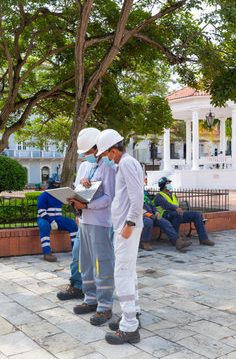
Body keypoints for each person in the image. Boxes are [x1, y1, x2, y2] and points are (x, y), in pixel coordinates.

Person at [96, 129, 143, 345]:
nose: (106, 158)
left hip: (127, 227)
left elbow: (137, 196)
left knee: (122, 273)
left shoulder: (125, 163)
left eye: (106, 154)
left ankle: (129, 326)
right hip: (125, 226)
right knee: (128, 272)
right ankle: (132, 314)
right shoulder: (124, 163)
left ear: (114, 150)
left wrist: (130, 224)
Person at [67, 127, 116, 326]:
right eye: (85, 154)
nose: (86, 156)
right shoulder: (84, 168)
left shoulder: (108, 167)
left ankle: (105, 306)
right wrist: (80, 188)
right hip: (85, 221)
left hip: (100, 222)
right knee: (85, 262)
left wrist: (87, 205)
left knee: (102, 263)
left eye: (88, 153)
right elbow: (78, 187)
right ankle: (90, 299)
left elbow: (109, 197)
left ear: (97, 149)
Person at [154, 177, 214, 246]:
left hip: (176, 214)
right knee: (177, 214)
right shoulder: (159, 195)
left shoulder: (172, 195)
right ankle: (175, 240)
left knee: (196, 214)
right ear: (162, 185)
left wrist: (178, 209)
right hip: (164, 216)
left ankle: (204, 239)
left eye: (169, 183)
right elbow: (166, 205)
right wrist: (176, 208)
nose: (169, 184)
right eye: (167, 183)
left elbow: (176, 206)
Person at [37, 177, 78, 262]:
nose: (57, 186)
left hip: (58, 218)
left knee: (72, 224)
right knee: (45, 226)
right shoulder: (44, 195)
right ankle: (47, 253)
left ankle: (76, 249)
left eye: (58, 184)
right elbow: (41, 211)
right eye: (55, 184)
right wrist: (51, 220)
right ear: (51, 184)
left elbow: (68, 203)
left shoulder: (60, 195)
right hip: (44, 218)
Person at [56, 226, 83, 300]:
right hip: (84, 223)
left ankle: (102, 292)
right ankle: (77, 287)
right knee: (77, 252)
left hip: (102, 224)